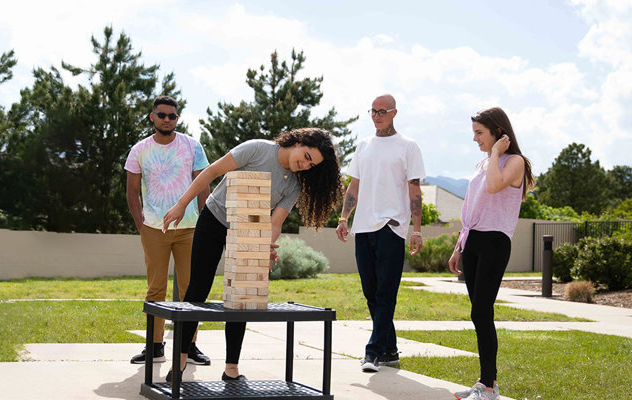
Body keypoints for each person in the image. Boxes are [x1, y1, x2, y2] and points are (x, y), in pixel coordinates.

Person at [162, 127, 343, 382]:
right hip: (214, 218)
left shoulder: (293, 184)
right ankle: (179, 362)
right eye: (306, 156)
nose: (304, 165)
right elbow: (212, 171)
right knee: (198, 289)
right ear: (301, 141)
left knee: (242, 294)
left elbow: (275, 222)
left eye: (310, 165)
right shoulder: (257, 148)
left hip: (246, 230)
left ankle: (231, 368)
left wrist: (264, 245)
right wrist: (182, 204)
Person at [448, 107, 535, 400]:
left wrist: (497, 153)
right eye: (474, 133)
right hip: (473, 241)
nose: (475, 139)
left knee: (481, 311)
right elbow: (473, 207)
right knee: (478, 314)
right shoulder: (483, 163)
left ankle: (488, 386)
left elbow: (496, 187)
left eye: (479, 133)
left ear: (498, 132)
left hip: (495, 241)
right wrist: (460, 245)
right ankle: (486, 383)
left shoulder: (515, 162)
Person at [335, 94, 425, 373]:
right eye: (372, 111)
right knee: (371, 293)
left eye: (382, 111)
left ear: (394, 113)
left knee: (386, 293)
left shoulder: (408, 146)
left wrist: (417, 230)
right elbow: (353, 186)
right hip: (362, 228)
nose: (376, 115)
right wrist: (343, 217)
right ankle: (390, 350)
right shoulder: (363, 146)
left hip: (391, 227)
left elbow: (414, 190)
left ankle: (372, 352)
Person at [125, 95, 212, 366]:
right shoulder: (139, 149)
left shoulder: (192, 146)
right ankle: (154, 346)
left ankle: (190, 345)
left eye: (171, 116)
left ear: (177, 118)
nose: (166, 119)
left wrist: (204, 222)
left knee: (191, 290)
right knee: (156, 288)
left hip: (189, 229)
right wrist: (141, 222)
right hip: (154, 228)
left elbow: (203, 185)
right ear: (153, 117)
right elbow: (131, 190)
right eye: (161, 115)